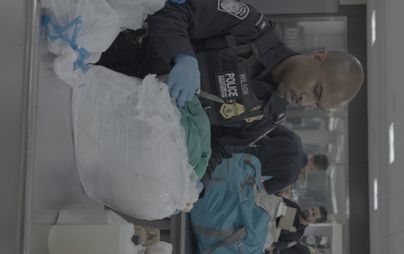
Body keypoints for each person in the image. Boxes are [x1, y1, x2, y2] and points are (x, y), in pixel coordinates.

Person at [97, 0, 364, 170]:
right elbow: (173, 10)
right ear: (318, 57)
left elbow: (220, 148)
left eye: (315, 104)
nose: (305, 100)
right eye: (316, 90)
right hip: (109, 54)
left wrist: (197, 180)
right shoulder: (251, 28)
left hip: (120, 122)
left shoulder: (269, 115)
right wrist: (183, 57)